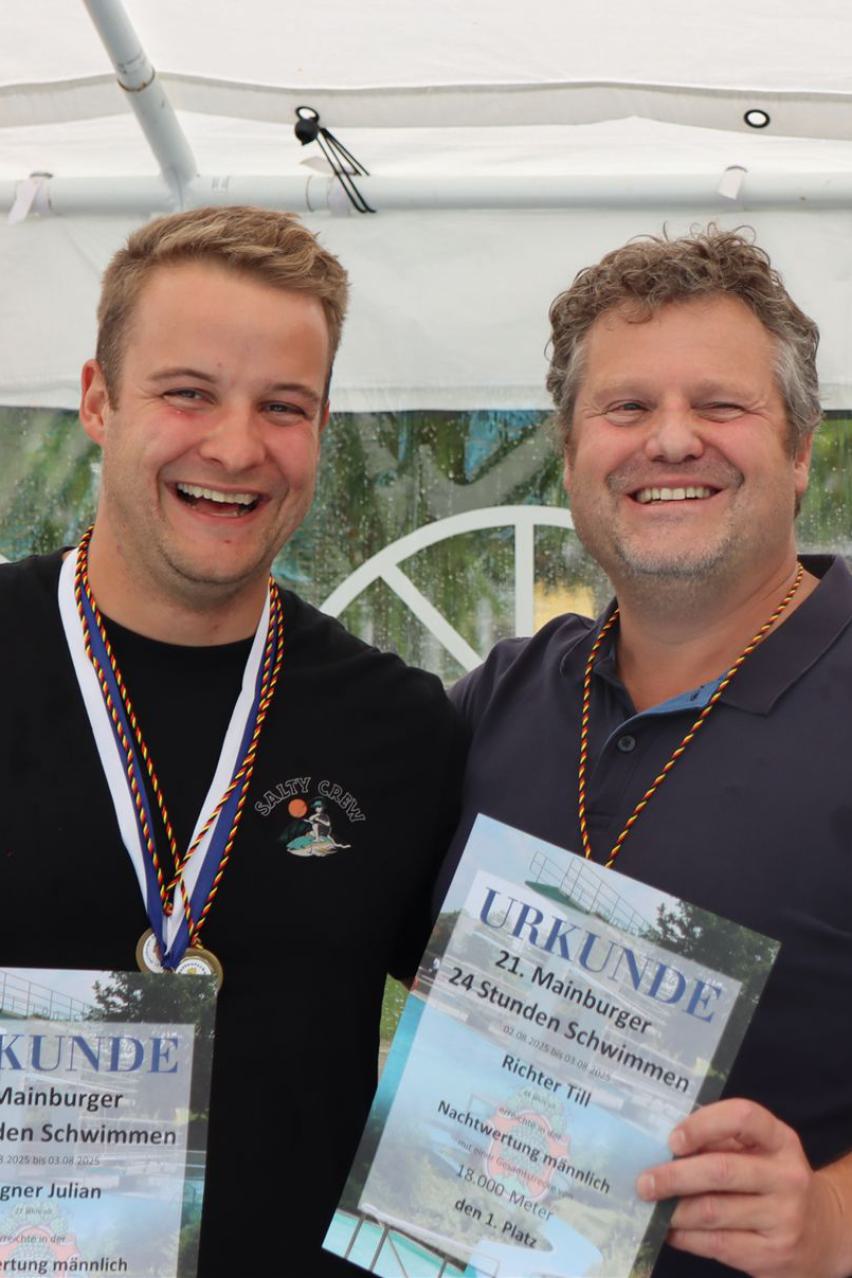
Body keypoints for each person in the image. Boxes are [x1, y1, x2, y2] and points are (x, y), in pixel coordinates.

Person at [0, 206, 465, 1276]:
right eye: (188, 392)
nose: (236, 446)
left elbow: (525, 1052)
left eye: (283, 406)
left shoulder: (399, 726)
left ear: (322, 428)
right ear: (98, 400)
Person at [441, 228, 852, 1277]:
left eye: (721, 405)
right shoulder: (495, 704)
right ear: (572, 453)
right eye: (626, 408)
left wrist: (833, 1219)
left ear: (800, 449)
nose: (671, 441)